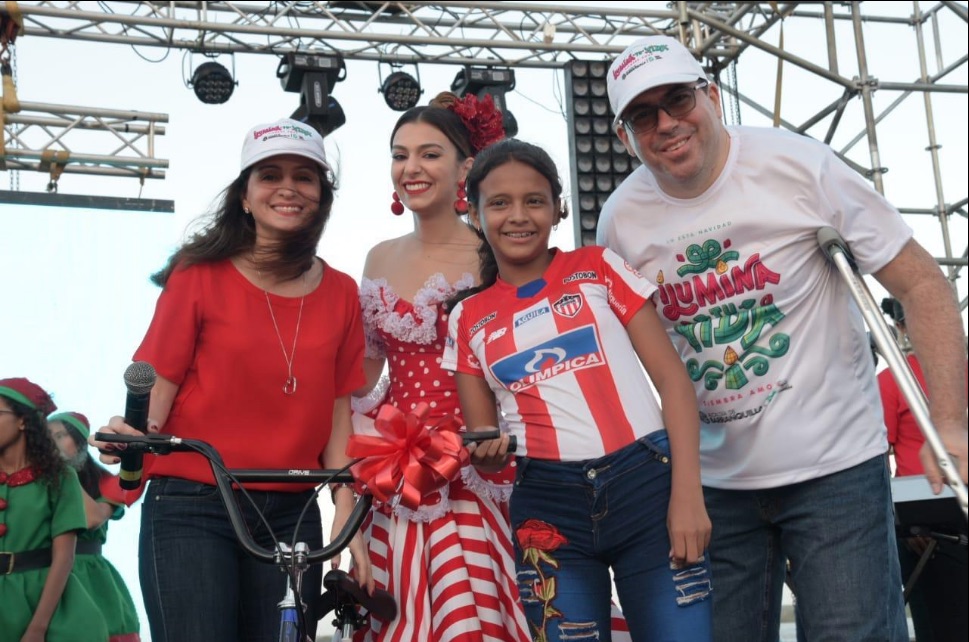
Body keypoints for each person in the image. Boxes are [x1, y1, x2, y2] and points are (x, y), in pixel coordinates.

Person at [596, 34, 969, 642]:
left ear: (711, 96)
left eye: (678, 100)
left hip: (835, 468)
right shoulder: (621, 219)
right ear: (624, 137)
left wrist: (949, 420)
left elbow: (923, 284)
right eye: (643, 115)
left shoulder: (798, 165)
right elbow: (620, 362)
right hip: (715, 485)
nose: (666, 124)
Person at [93, 118, 372, 642]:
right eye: (269, 175)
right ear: (245, 196)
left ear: (322, 197)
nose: (287, 187)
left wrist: (346, 511)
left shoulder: (340, 292)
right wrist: (133, 431)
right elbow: (156, 394)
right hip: (194, 502)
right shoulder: (199, 276)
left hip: (293, 509)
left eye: (304, 177)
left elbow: (339, 418)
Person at [442, 139, 712, 641]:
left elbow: (674, 382)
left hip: (648, 487)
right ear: (474, 215)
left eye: (535, 200)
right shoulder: (466, 318)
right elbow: (485, 452)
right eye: (499, 203)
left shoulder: (598, 266)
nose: (518, 216)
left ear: (558, 209)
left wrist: (688, 495)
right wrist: (486, 452)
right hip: (547, 504)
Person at [351, 91, 531, 641]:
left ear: (466, 167)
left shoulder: (494, 251)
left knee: (475, 615)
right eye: (399, 154)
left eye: (429, 154)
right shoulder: (378, 257)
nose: (411, 168)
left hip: (478, 466)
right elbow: (362, 377)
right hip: (391, 477)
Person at [878, 298, 968, 642]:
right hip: (924, 522)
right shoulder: (891, 380)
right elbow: (876, 456)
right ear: (901, 329)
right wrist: (902, 520)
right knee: (941, 619)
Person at [0, 377, 110, 642]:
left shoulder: (59, 477)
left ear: (23, 420)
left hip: (43, 600)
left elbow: (64, 558)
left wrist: (38, 628)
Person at [48, 411, 141, 642]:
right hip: (43, 573)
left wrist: (63, 471)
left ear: (80, 442)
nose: (52, 443)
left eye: (60, 435)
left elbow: (92, 518)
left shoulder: (109, 482)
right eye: (46, 437)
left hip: (88, 579)